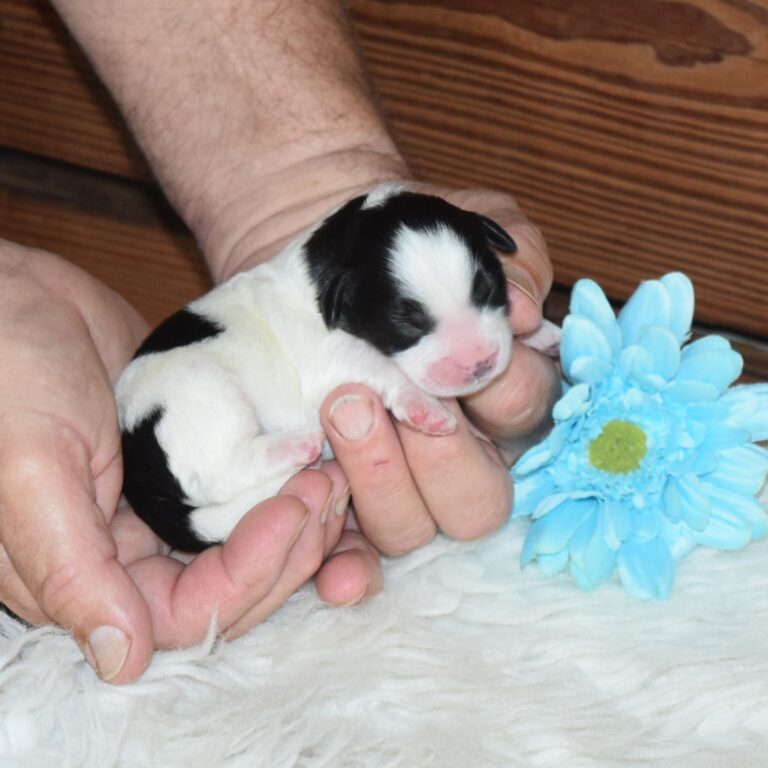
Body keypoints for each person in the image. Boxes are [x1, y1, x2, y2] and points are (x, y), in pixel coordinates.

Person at [0, 0, 558, 684]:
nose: (478, 350)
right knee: (199, 391)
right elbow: (344, 371)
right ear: (346, 301)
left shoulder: (333, 283)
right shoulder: (312, 313)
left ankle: (244, 478)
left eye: (486, 294)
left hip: (217, 471)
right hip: (184, 455)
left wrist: (298, 173)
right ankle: (234, 476)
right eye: (417, 322)